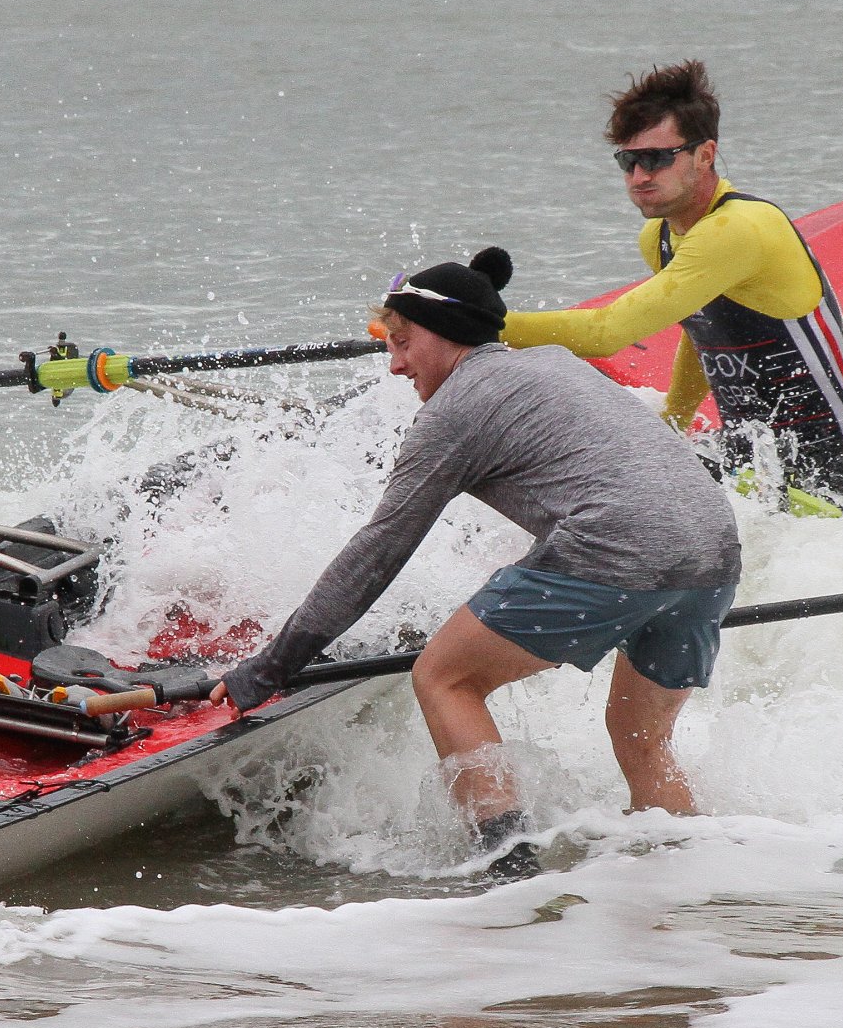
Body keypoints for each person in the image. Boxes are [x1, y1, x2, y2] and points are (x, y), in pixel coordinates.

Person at [212, 250, 742, 869]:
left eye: (403, 342)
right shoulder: (554, 365)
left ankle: (509, 874)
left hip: (617, 546)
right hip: (714, 552)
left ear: (448, 333)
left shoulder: (454, 412)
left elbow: (376, 552)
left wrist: (274, 666)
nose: (395, 364)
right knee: (639, 735)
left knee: (444, 678)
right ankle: (694, 875)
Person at [503, 60, 843, 508]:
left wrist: (461, 321)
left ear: (705, 155)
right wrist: (675, 422)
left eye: (658, 159)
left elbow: (605, 334)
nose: (640, 176)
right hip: (749, 461)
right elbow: (700, 331)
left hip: (832, 471)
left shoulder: (740, 227)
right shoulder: (660, 237)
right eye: (629, 161)